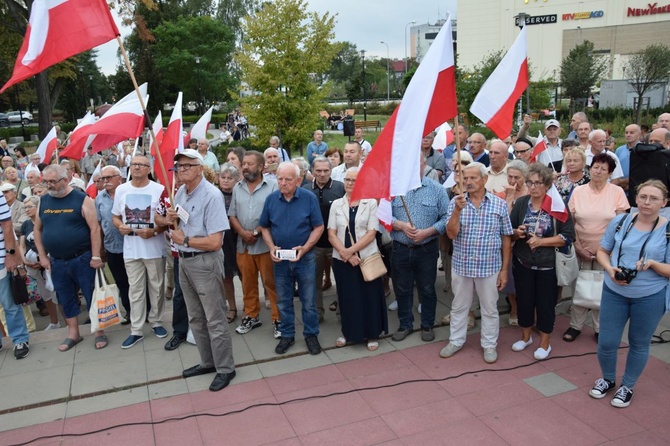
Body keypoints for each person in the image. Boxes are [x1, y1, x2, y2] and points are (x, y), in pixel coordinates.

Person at [589, 180, 670, 408]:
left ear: (664, 202)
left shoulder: (668, 230)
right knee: (607, 341)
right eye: (643, 196)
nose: (647, 202)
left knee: (639, 342)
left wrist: (653, 263)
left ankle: (628, 386)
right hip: (614, 291)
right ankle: (607, 379)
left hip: (650, 295)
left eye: (654, 198)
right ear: (635, 198)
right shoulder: (620, 221)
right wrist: (609, 269)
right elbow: (603, 251)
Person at [162, 149, 236, 392]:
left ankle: (225, 368)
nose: (180, 170)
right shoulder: (181, 192)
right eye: (178, 167)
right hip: (184, 262)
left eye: (185, 166)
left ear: (199, 168)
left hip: (205, 262)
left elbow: (215, 241)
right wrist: (172, 218)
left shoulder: (212, 195)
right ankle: (207, 362)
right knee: (195, 317)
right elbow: (184, 223)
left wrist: (184, 239)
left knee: (215, 318)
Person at [440, 162, 512, 363]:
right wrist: (456, 211)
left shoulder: (499, 204)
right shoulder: (456, 202)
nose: (469, 182)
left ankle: (489, 345)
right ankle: (455, 340)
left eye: (473, 178)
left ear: (484, 179)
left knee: (489, 308)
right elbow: (451, 234)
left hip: (489, 266)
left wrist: (504, 269)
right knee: (459, 306)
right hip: (462, 265)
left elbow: (507, 237)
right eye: (466, 178)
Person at [34, 164, 107, 351]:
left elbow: (94, 229)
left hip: (82, 258)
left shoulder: (82, 199)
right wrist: (42, 256)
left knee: (91, 295)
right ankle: (73, 333)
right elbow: (37, 229)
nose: (48, 185)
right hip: (56, 261)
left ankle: (98, 331)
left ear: (65, 180)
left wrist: (96, 255)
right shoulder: (43, 201)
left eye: (52, 181)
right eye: (46, 181)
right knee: (65, 297)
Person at [509, 163, 575, 360]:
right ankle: (526, 337)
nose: (533, 187)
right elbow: (509, 231)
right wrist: (516, 233)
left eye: (538, 183)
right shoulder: (521, 203)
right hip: (523, 262)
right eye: (530, 182)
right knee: (525, 301)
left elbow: (568, 235)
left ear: (547, 185)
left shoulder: (557, 204)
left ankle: (545, 343)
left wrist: (542, 241)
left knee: (545, 304)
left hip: (548, 264)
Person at [259, 161, 324, 355]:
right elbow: (264, 226)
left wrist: (305, 248)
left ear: (298, 180)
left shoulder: (308, 198)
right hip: (280, 260)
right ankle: (287, 335)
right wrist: (271, 247)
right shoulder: (271, 199)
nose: (283, 183)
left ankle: (311, 334)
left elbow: (318, 227)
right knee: (283, 301)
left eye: (288, 179)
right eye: (280, 178)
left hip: (304, 258)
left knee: (308, 300)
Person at [565, 153, 629, 343]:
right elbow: (571, 222)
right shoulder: (578, 191)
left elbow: (620, 224)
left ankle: (600, 327)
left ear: (610, 173)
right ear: (589, 168)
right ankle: (575, 325)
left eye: (603, 168)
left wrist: (604, 250)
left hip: (606, 251)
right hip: (581, 248)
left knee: (603, 290)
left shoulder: (616, 192)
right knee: (579, 288)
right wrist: (578, 247)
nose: (598, 171)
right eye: (595, 167)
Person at [328, 167, 388, 350]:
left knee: (369, 297)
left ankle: (371, 334)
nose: (350, 183)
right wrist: (345, 254)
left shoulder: (370, 203)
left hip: (366, 258)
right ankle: (349, 332)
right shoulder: (336, 204)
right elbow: (331, 233)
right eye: (347, 180)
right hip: (342, 261)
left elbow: (372, 233)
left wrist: (351, 252)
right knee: (347, 298)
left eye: (354, 180)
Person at [390, 156, 449, 342]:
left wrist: (428, 232)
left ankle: (427, 325)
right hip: (400, 248)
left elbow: (447, 218)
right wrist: (400, 225)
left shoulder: (437, 189)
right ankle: (405, 324)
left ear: (425, 165)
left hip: (427, 248)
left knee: (427, 288)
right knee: (402, 288)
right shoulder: (394, 190)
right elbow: (382, 215)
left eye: (418, 164)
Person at [112, 155, 168, 348]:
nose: (136, 167)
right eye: (133, 164)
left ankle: (156, 322)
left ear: (149, 168)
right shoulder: (121, 189)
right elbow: (115, 216)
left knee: (157, 288)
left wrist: (154, 231)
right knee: (135, 290)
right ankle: (136, 330)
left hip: (153, 246)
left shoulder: (159, 189)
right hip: (130, 248)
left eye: (141, 165)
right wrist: (120, 226)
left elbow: (167, 220)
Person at [228, 151, 281, 337]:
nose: (245, 167)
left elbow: (275, 215)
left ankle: (278, 319)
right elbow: (232, 214)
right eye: (244, 164)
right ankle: (251, 315)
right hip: (244, 246)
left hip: (265, 246)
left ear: (260, 167)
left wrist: (257, 232)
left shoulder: (273, 186)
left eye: (249, 164)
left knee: (271, 284)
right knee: (247, 284)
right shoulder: (237, 187)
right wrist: (242, 233)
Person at [304, 155, 345, 321]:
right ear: (312, 171)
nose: (322, 174)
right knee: (314, 282)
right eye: (318, 170)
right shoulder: (305, 190)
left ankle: (343, 312)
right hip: (314, 245)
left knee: (342, 281)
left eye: (326, 170)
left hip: (337, 244)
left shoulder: (340, 188)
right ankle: (317, 313)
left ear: (331, 171)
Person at [95, 166, 131, 323]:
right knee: (121, 282)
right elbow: (99, 224)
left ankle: (146, 310)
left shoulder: (129, 193)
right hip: (112, 247)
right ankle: (130, 311)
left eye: (108, 177)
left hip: (131, 245)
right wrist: (100, 248)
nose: (105, 181)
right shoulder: (99, 198)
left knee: (136, 282)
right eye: (103, 178)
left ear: (119, 178)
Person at [496, 160, 530, 327]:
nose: (512, 181)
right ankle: (514, 309)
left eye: (517, 177)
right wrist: (509, 197)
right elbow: (503, 220)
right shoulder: (503, 195)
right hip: (508, 243)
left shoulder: (531, 194)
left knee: (525, 281)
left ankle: (527, 310)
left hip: (527, 243)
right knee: (509, 279)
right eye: (510, 177)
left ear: (525, 177)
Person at [20, 196, 60, 330]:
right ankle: (54, 322)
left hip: (49, 263)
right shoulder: (25, 224)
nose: (27, 209)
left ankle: (68, 323)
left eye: (30, 206)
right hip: (34, 267)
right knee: (45, 294)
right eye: (25, 207)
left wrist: (44, 258)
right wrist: (24, 260)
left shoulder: (47, 221)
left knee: (56, 293)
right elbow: (22, 245)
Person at [0, 190, 29, 359]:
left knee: (9, 303)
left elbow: (7, 224)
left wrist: (11, 254)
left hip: (1, 259)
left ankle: (20, 339)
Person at [218, 163, 242, 325]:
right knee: (226, 276)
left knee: (244, 274)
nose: (226, 181)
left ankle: (251, 305)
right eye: (223, 177)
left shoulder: (240, 193)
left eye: (230, 178)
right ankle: (232, 307)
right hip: (223, 241)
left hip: (239, 237)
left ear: (236, 179)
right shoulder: (214, 194)